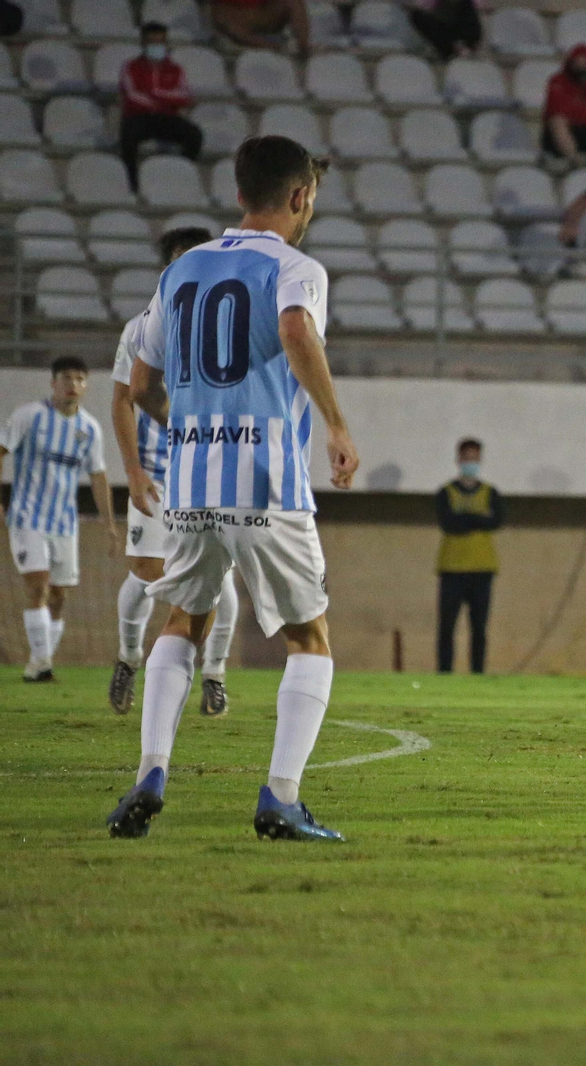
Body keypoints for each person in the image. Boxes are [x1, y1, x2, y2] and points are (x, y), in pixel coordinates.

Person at [107, 135, 360, 843]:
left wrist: (191, 428)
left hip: (188, 484)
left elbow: (143, 386)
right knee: (310, 638)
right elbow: (293, 329)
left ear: (239, 190)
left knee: (182, 622)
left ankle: (151, 771)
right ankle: (281, 795)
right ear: (301, 195)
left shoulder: (181, 269)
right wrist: (336, 425)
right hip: (264, 478)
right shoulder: (297, 267)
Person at [108, 227, 241, 719]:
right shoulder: (143, 326)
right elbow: (124, 398)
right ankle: (127, 658)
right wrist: (133, 468)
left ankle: (215, 675)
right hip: (160, 473)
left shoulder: (230, 322)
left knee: (221, 579)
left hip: (213, 470)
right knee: (146, 574)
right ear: (168, 268)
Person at [2, 357, 116, 682]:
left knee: (59, 596)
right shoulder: (30, 416)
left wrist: (108, 524)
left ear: (86, 385)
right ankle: (42, 663)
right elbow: (1, 449)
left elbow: (98, 476)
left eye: (80, 378)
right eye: (66, 377)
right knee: (37, 585)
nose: (73, 384)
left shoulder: (89, 428)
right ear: (53, 382)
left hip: (65, 524)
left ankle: (39, 663)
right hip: (27, 517)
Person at [436, 437, 503, 674]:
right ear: (458, 460)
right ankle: (444, 673)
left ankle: (478, 672)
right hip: (452, 569)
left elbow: (496, 522)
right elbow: (448, 523)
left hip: (482, 569)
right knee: (447, 628)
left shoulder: (490, 492)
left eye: (475, 458)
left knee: (479, 629)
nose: (471, 463)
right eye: (467, 458)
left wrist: (464, 519)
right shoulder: (446, 492)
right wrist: (477, 519)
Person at [118, 22, 202, 194]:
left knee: (194, 135)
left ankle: (178, 175)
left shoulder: (175, 69)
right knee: (128, 137)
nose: (157, 46)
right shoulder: (131, 67)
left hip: (166, 117)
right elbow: (131, 96)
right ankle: (133, 185)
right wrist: (161, 100)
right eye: (152, 42)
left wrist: (155, 93)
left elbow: (184, 96)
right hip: (139, 117)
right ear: (143, 43)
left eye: (160, 42)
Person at [206, 0, 311, 57]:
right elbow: (219, 16)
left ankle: (303, 47)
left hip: (265, 17)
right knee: (221, 16)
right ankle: (273, 47)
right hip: (237, 26)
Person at [409, 0, 481, 61]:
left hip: (463, 38)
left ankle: (463, 47)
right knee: (418, 16)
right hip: (448, 37)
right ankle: (453, 50)